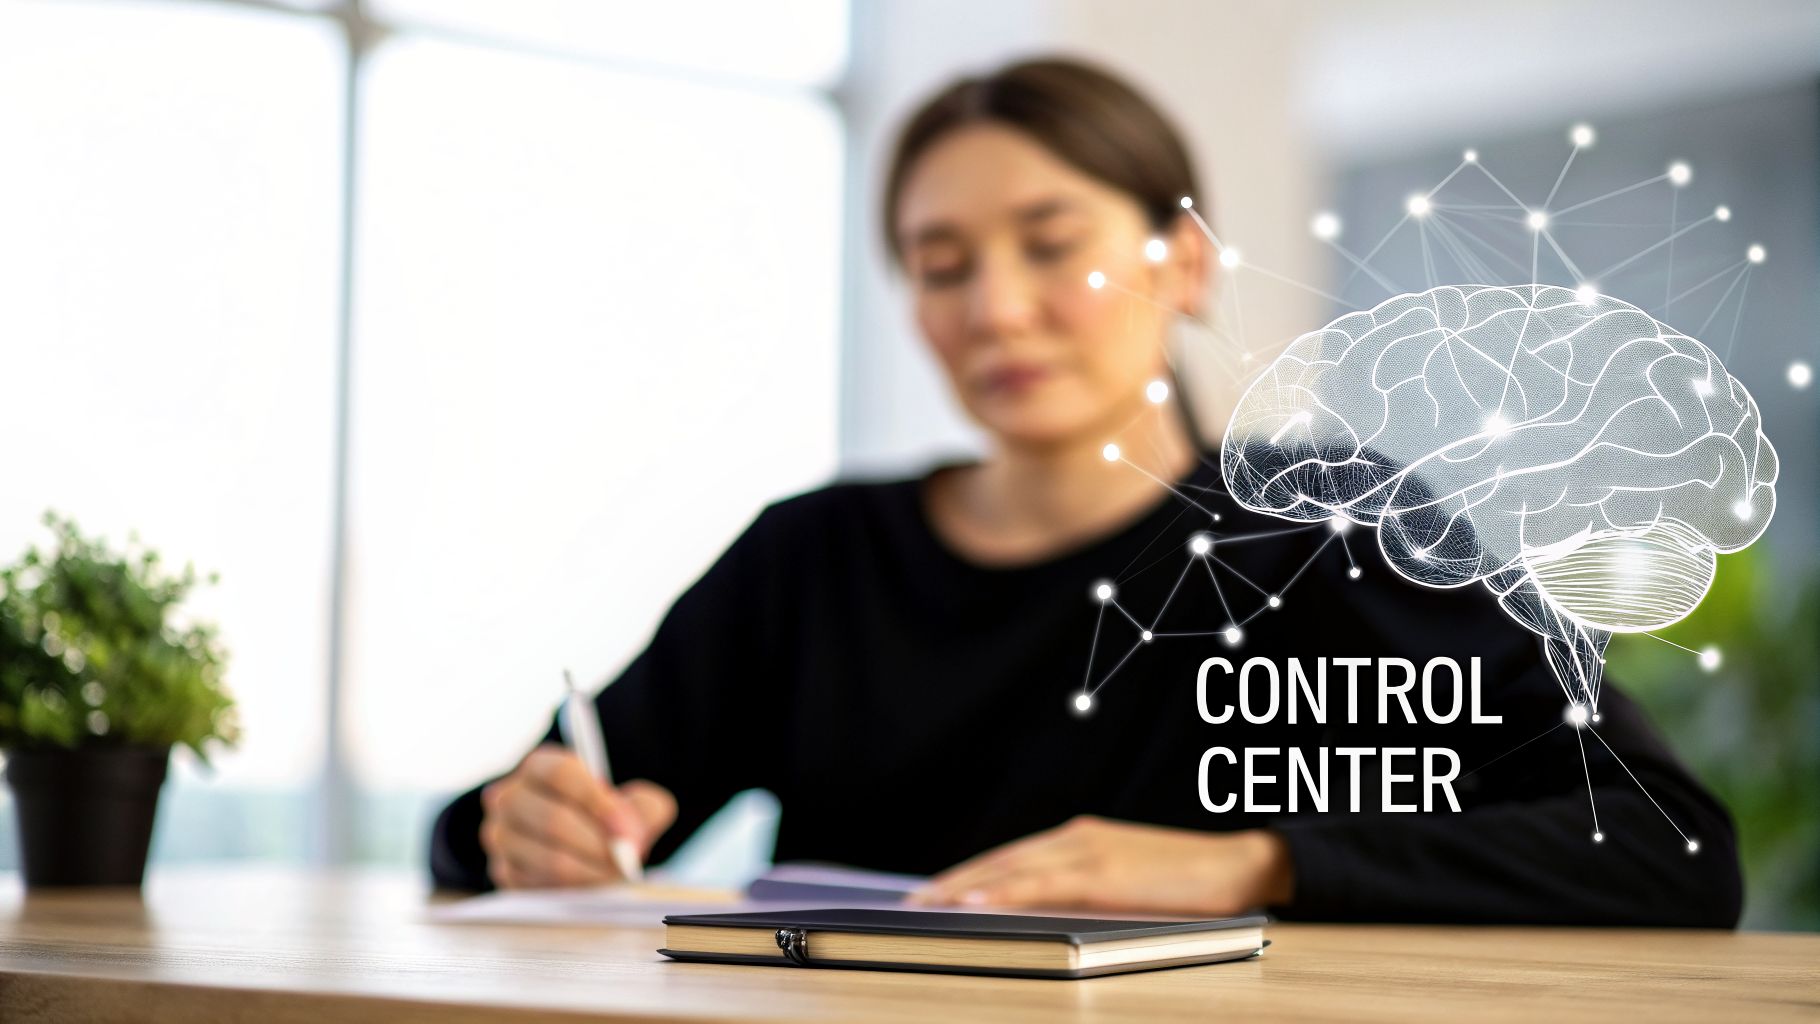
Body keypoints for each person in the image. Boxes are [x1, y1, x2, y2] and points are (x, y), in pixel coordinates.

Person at [430, 57, 1742, 926]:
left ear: (1182, 266)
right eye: (941, 267)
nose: (996, 308)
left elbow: (1665, 845)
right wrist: (529, 835)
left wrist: (1254, 862)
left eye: (1051, 246)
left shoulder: (1330, 533)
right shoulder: (813, 560)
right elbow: (487, 836)